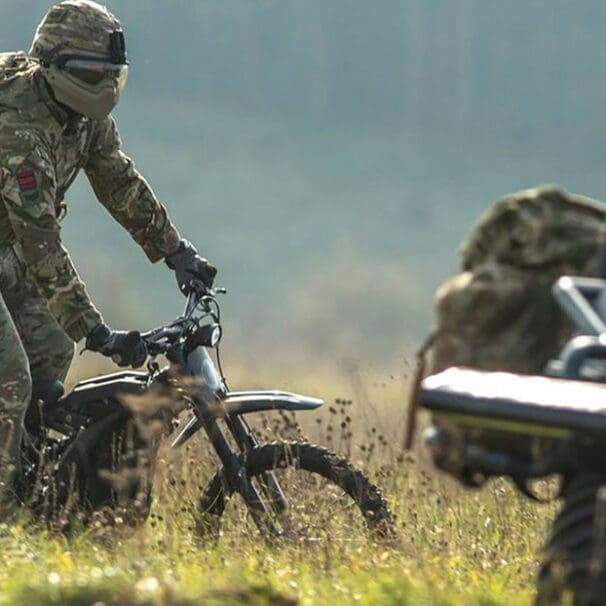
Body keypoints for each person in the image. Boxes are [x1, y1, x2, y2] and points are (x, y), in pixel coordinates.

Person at [0, 0, 216, 508]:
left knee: (51, 347)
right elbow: (42, 244)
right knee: (12, 377)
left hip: (6, 247)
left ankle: (29, 480)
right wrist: (97, 331)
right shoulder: (18, 130)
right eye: (93, 74)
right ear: (55, 68)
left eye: (111, 75)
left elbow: (118, 179)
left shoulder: (80, 114)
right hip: (20, 243)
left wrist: (176, 250)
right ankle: (6, 522)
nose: (105, 87)